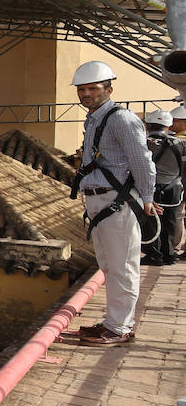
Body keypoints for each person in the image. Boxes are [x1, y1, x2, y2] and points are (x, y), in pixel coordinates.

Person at [69, 61, 159, 346]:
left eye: (92, 88)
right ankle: (113, 322)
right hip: (100, 201)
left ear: (108, 89)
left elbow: (142, 162)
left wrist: (147, 197)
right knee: (109, 264)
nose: (86, 94)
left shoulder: (122, 119)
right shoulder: (94, 119)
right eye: (81, 89)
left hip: (116, 201)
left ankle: (119, 328)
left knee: (122, 266)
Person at [142, 109, 183, 266]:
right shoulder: (180, 143)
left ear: (148, 125)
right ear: (168, 126)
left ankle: (154, 255)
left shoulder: (142, 142)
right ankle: (169, 254)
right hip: (173, 189)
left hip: (148, 188)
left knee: (151, 221)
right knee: (170, 221)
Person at [172, 104, 186, 257]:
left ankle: (174, 247)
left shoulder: (177, 141)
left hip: (180, 183)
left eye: (175, 121)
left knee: (178, 215)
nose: (171, 124)